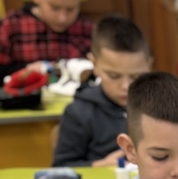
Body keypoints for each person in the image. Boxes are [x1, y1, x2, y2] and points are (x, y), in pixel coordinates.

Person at [52, 15, 152, 167]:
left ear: (149, 65)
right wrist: (99, 165)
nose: (126, 86)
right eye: (114, 76)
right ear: (94, 64)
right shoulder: (79, 112)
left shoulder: (165, 105)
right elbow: (60, 168)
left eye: (136, 76)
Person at [0, 0, 93, 80]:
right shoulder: (12, 25)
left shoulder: (87, 30)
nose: (62, 18)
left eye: (71, 9)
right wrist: (25, 70)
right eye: (55, 8)